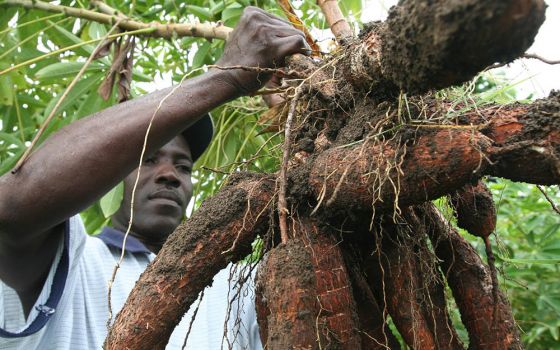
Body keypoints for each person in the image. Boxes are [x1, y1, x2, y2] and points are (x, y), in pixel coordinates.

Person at [0, 6, 309, 349]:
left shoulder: (234, 284)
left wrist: (306, 121)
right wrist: (226, 77)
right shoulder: (73, 261)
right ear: (112, 175)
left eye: (184, 166)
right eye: (149, 160)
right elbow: (11, 206)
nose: (170, 175)